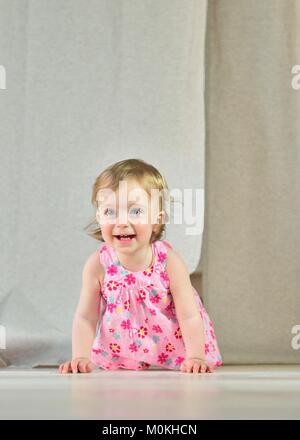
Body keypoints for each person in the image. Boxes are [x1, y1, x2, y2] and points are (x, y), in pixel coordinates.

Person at [59, 159, 222, 374]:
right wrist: (80, 356)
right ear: (99, 217)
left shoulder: (168, 262)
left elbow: (189, 315)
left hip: (172, 343)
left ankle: (186, 354)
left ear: (156, 220)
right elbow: (86, 317)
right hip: (124, 345)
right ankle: (132, 358)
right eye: (110, 212)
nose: (121, 222)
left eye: (135, 212)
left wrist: (195, 356)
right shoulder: (98, 266)